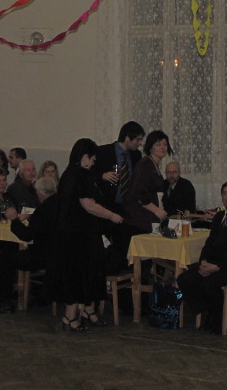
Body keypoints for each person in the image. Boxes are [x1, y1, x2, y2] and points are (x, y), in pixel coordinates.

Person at [47, 138, 123, 332]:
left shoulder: (71, 173)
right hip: (77, 235)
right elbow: (88, 205)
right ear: (85, 157)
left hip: (75, 233)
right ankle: (70, 317)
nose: (94, 163)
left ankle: (83, 312)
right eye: (93, 159)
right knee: (77, 275)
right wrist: (111, 215)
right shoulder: (80, 175)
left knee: (84, 274)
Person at [177, 181, 227, 333]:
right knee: (184, 279)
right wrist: (203, 262)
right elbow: (209, 244)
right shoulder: (219, 217)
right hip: (214, 264)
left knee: (209, 283)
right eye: (225, 194)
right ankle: (217, 314)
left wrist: (218, 267)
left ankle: (217, 319)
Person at [0, 176, 58, 314]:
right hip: (59, 254)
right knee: (12, 251)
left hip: (43, 257)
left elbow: (26, 235)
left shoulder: (43, 210)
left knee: (6, 256)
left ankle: (3, 300)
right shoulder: (60, 205)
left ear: (40, 193)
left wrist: (14, 219)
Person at [92, 121, 145, 272]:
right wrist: (102, 175)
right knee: (104, 243)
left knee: (124, 244)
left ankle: (121, 273)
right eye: (137, 140)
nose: (139, 143)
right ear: (127, 138)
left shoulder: (136, 155)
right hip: (106, 205)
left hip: (126, 206)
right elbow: (89, 173)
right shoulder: (103, 151)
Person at [122, 130, 172, 234]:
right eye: (158, 145)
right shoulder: (146, 164)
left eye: (165, 144)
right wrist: (157, 210)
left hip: (148, 219)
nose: (162, 147)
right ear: (150, 147)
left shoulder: (153, 165)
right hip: (138, 220)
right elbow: (137, 193)